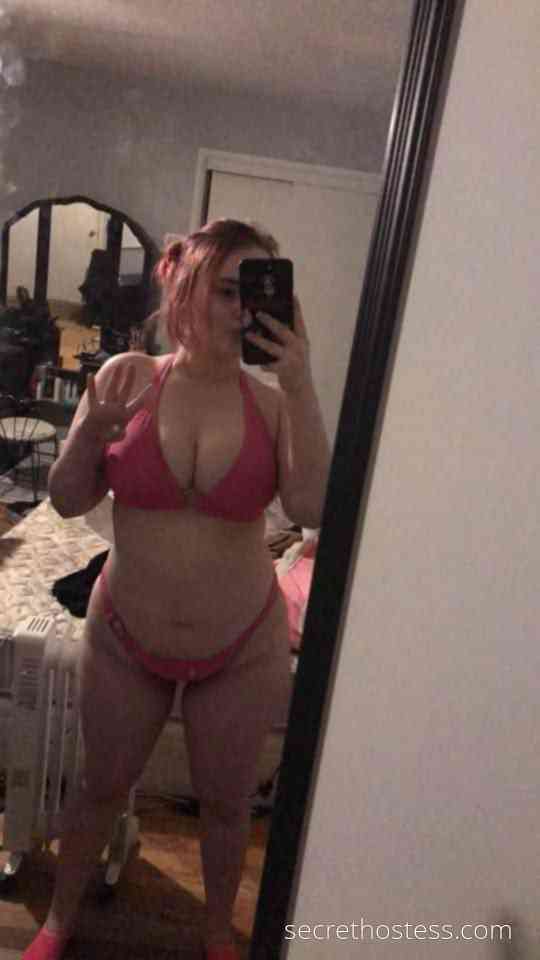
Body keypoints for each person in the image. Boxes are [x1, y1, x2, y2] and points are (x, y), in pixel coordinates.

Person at [24, 218, 330, 960]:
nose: (243, 309)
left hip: (242, 644)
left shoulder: (273, 405)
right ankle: (58, 922)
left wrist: (300, 381)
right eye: (226, 290)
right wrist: (89, 434)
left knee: (225, 807)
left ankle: (216, 934)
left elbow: (312, 507)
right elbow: (66, 499)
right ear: (185, 286)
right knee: (99, 787)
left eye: (256, 292)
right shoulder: (126, 377)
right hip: (125, 635)